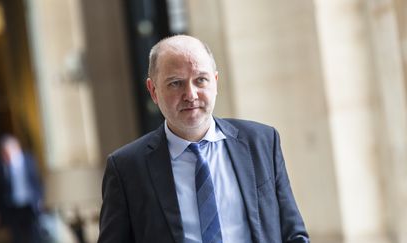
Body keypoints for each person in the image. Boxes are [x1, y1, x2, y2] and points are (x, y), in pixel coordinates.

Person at [98, 35, 309, 243]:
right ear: (153, 91)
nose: (191, 94)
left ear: (215, 82)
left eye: (200, 80)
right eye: (175, 83)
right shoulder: (127, 168)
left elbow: (293, 233)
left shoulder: (261, 142)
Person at [0, 135, 44, 243]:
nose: (5, 157)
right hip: (11, 207)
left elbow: (38, 182)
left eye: (7, 153)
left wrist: (40, 199)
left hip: (29, 206)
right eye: (3, 154)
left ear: (16, 149)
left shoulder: (29, 161)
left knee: (34, 236)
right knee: (17, 237)